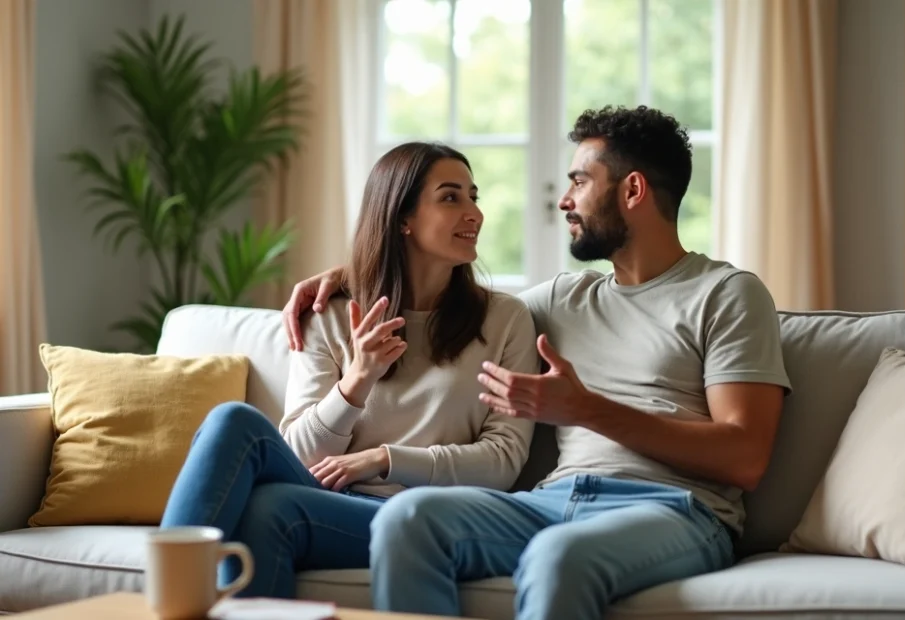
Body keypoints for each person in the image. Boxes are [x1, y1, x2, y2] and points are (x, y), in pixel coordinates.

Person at [282, 105, 792, 620]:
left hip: (675, 511)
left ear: (632, 191)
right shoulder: (561, 300)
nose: (565, 201)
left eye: (579, 182)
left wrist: (588, 410)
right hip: (554, 501)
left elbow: (744, 457)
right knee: (408, 518)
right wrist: (355, 270)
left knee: (558, 556)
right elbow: (440, 289)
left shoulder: (727, 294)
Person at [160, 141, 539, 599]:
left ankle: (162, 600)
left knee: (267, 509)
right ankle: (163, 597)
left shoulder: (504, 320)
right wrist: (355, 383)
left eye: (473, 196)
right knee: (231, 421)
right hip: (331, 500)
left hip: (423, 515)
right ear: (403, 217)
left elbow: (502, 462)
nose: (474, 212)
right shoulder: (331, 314)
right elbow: (299, 456)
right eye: (450, 197)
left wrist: (386, 458)